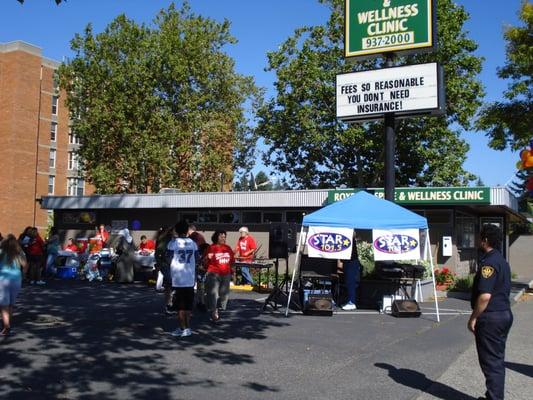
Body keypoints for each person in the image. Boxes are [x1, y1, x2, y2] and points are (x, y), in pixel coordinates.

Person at [468, 224, 513, 400]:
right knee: (496, 359)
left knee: (491, 363)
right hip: (504, 314)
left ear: (485, 240)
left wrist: (473, 318)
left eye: (479, 237)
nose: (478, 240)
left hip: (491, 318)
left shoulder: (489, 263)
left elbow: (485, 296)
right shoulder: (501, 260)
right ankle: (492, 396)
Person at [167, 221, 198, 338]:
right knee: (188, 305)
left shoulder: (173, 243)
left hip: (178, 278)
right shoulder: (193, 243)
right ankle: (186, 327)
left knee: (179, 306)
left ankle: (183, 328)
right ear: (187, 230)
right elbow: (197, 259)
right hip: (189, 277)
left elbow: (168, 258)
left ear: (177, 230)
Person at [0, 235, 27, 336]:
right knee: (10, 304)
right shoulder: (20, 253)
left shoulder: (1, 252)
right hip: (16, 279)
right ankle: (7, 323)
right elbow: (25, 266)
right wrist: (23, 276)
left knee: (4, 305)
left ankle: (6, 326)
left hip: (3, 280)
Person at [205, 230, 235, 322]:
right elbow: (204, 261)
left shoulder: (228, 248)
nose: (223, 238)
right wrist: (207, 257)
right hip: (214, 273)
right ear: (216, 237)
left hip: (226, 274)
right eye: (221, 236)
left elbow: (232, 261)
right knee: (214, 294)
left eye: (224, 236)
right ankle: (214, 312)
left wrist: (231, 271)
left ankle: (216, 307)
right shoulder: (211, 247)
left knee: (224, 294)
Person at [154, 226, 174, 314]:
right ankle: (169, 304)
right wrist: (160, 263)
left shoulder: (171, 240)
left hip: (172, 266)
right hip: (166, 265)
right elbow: (158, 252)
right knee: (169, 284)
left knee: (169, 285)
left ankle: (170, 304)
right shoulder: (165, 240)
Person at [341, 242, 361, 311]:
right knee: (348, 281)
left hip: (352, 259)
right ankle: (349, 301)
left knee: (351, 281)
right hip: (348, 259)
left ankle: (351, 302)